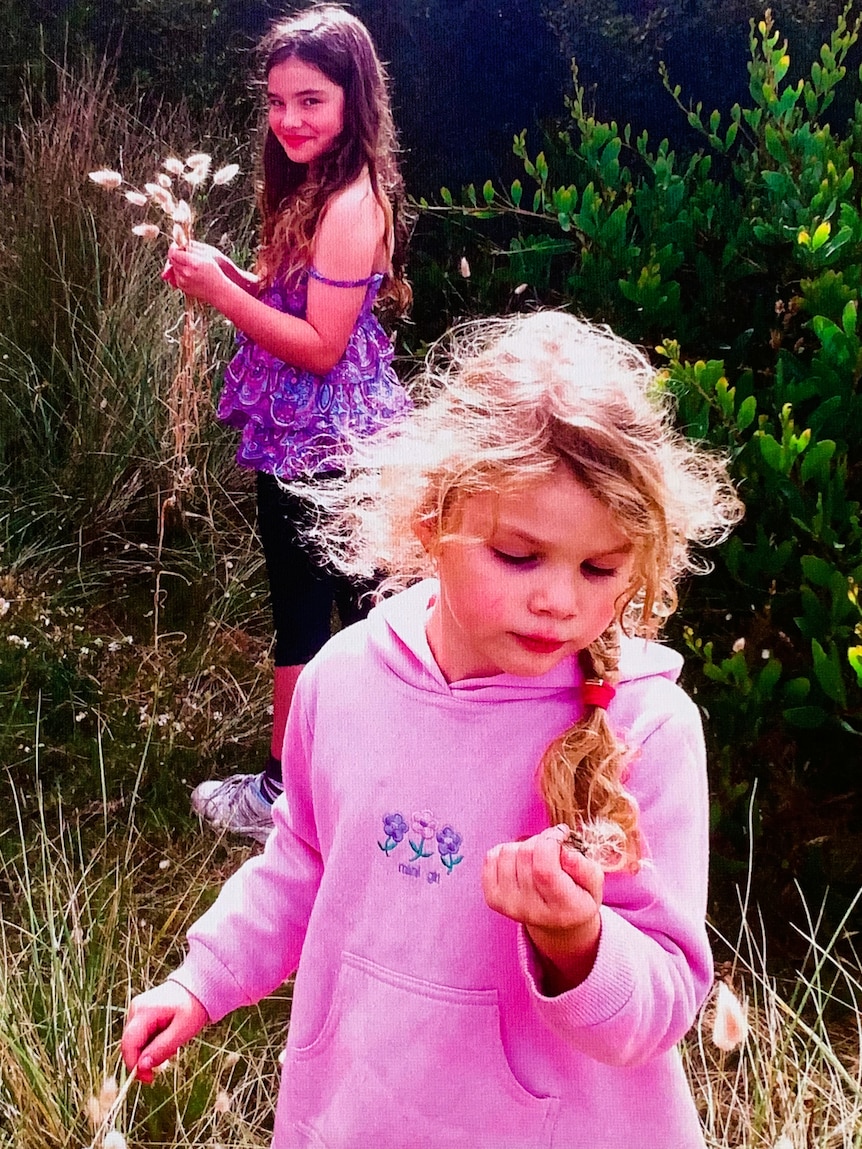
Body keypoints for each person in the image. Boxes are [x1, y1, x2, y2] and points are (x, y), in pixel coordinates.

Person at [122, 311, 744, 1147]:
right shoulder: (343, 680)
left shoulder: (645, 728)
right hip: (358, 1111)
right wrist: (202, 980)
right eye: (519, 556)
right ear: (430, 520)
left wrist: (579, 941)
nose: (561, 599)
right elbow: (299, 861)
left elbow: (662, 1003)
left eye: (601, 567)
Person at [163, 4, 413, 843]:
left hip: (328, 448)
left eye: (310, 100)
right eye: (276, 102)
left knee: (317, 612)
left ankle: (284, 793)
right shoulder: (313, 186)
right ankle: (362, 776)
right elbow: (296, 302)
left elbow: (318, 347)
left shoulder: (351, 205)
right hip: (314, 439)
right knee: (345, 606)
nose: (289, 120)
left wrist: (222, 296)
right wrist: (235, 275)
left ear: (353, 97)